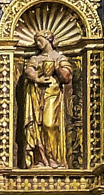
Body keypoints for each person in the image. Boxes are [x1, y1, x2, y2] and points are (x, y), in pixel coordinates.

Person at [21, 31, 74, 168]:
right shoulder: (35, 58)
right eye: (36, 41)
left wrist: (57, 68)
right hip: (36, 95)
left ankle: (55, 159)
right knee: (37, 126)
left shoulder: (59, 58)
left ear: (48, 39)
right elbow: (29, 71)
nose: (38, 44)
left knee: (49, 125)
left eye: (40, 40)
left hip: (52, 93)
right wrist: (37, 78)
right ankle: (40, 159)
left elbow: (67, 78)